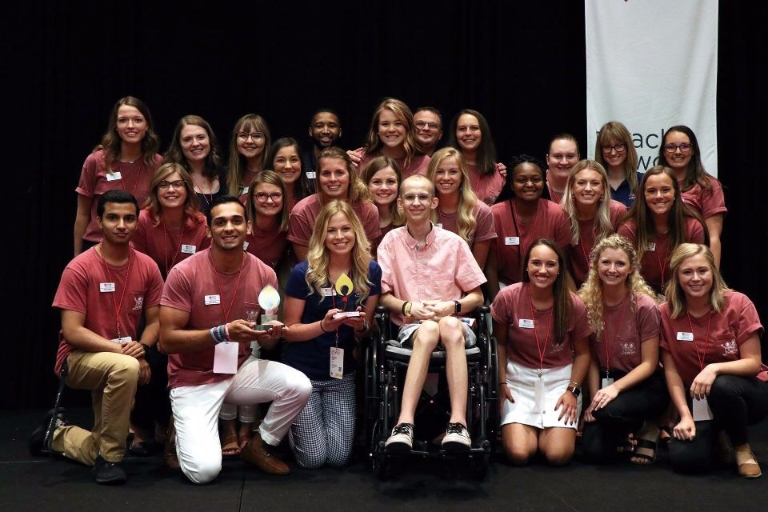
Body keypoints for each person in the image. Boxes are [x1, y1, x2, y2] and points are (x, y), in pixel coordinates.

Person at [159, 195, 312, 483]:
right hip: (194, 377)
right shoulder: (184, 272)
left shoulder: (264, 274)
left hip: (237, 369)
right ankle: (177, 428)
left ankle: (259, 445)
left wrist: (271, 333)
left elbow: (266, 345)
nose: (229, 227)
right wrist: (222, 333)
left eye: (236, 220)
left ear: (248, 227)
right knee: (203, 472)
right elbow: (166, 341)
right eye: (220, 222)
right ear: (208, 230)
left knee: (299, 386)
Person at [30, 190, 164, 485]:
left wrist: (141, 348)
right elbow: (72, 331)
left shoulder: (148, 266)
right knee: (126, 369)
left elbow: (155, 321)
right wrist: (126, 354)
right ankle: (111, 459)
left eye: (129, 218)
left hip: (121, 358)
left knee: (104, 434)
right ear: (99, 221)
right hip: (77, 359)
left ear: (136, 223)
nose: (121, 225)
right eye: (113, 217)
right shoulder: (79, 267)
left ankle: (56, 435)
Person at [377, 175, 486, 452]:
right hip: (413, 326)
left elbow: (478, 296)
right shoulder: (390, 242)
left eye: (423, 197)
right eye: (410, 198)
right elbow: (383, 295)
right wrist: (407, 306)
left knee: (447, 325)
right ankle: (404, 424)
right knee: (427, 328)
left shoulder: (454, 242)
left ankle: (458, 424)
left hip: (455, 324)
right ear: (400, 204)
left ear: (434, 202)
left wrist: (453, 306)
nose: (416, 203)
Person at [282, 200, 381, 468]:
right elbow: (289, 331)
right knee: (313, 460)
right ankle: (289, 424)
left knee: (338, 458)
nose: (339, 237)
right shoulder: (304, 273)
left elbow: (367, 328)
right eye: (332, 230)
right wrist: (323, 326)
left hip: (341, 374)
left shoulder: (370, 270)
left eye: (345, 229)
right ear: (321, 236)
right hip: (304, 376)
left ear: (356, 232)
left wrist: (360, 325)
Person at [659, 243, 767, 478]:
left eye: (702, 270)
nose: (695, 278)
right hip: (698, 399)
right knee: (687, 462)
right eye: (687, 272)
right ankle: (716, 434)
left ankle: (741, 447)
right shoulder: (665, 313)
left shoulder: (738, 303)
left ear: (713, 273)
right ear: (677, 276)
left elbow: (753, 363)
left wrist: (714, 368)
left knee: (722, 385)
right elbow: (671, 372)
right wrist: (684, 414)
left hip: (747, 392)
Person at [131, 163, 210, 464]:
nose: (171, 189)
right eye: (164, 184)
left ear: (188, 189)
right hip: (149, 300)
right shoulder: (143, 221)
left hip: (188, 303)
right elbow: (136, 267)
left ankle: (168, 426)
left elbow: (204, 270)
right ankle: (141, 427)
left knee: (178, 356)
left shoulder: (201, 223)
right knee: (149, 355)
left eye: (178, 184)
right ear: (155, 190)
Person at [490, 239, 591, 466]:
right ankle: (525, 428)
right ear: (526, 266)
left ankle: (547, 432)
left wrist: (572, 391)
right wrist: (502, 383)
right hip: (518, 380)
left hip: (560, 382)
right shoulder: (508, 297)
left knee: (557, 455)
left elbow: (584, 353)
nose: (543, 270)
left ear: (559, 269)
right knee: (519, 454)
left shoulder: (573, 304)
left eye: (550, 265)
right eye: (536, 263)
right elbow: (500, 343)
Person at [216, 170, 292, 455]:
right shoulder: (237, 226)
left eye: (275, 195)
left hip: (262, 294)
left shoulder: (285, 227)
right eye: (261, 195)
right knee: (224, 358)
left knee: (254, 355)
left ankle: (248, 427)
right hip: (226, 294)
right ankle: (228, 427)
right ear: (250, 200)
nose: (268, 200)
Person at [578, 234, 668, 465]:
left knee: (608, 411)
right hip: (608, 379)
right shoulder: (586, 303)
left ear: (630, 269)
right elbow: (592, 359)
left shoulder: (644, 306)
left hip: (644, 382)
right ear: (596, 266)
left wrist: (614, 390)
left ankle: (648, 426)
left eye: (620, 264)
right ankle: (623, 431)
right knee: (593, 451)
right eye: (606, 262)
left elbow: (649, 364)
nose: (612, 269)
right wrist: (594, 398)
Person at [73, 96, 162, 257]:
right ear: (115, 126)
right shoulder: (96, 161)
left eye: (137, 120)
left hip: (139, 249)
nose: (130, 126)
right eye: (123, 120)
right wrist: (77, 258)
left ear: (147, 125)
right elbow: (83, 213)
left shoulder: (158, 164)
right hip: (97, 246)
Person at [485, 155, 571, 301]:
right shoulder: (495, 214)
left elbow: (563, 265)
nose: (530, 184)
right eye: (522, 180)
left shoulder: (557, 214)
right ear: (511, 185)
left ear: (544, 182)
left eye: (536, 179)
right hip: (504, 287)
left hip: (547, 287)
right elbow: (490, 269)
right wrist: (497, 306)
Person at [617, 166, 707, 296]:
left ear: (676, 192)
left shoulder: (693, 227)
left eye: (665, 190)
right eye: (652, 191)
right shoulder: (628, 229)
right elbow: (624, 276)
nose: (659, 196)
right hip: (639, 299)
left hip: (682, 296)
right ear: (643, 195)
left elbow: (695, 274)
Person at [288, 147, 380, 262]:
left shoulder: (368, 210)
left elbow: (366, 258)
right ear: (318, 178)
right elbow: (306, 265)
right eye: (326, 173)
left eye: (339, 173)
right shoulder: (302, 212)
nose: (332, 179)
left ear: (350, 176)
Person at [658, 125, 727, 268]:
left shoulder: (707, 185)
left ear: (693, 150)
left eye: (684, 146)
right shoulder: (654, 183)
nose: (677, 152)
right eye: (671, 147)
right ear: (663, 152)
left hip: (692, 265)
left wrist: (712, 278)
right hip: (658, 264)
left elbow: (713, 238)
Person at [427, 147, 497, 271]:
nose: (446, 177)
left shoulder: (481, 212)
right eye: (439, 171)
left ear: (462, 176)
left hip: (464, 283)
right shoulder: (422, 207)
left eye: (453, 172)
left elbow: (477, 268)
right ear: (431, 174)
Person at [560, 160, 627, 288]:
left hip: (611, 285)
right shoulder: (561, 215)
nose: (588, 188)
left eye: (595, 183)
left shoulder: (617, 212)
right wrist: (576, 301)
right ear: (571, 187)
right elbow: (562, 266)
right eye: (581, 183)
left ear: (603, 189)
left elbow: (624, 260)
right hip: (572, 288)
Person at [348, 97, 431, 178]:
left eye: (398, 123)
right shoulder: (359, 159)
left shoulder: (425, 163)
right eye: (385, 124)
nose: (391, 129)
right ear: (377, 129)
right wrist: (342, 161)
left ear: (408, 127)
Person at [162, 115, 227, 216]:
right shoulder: (171, 178)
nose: (195, 143)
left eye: (200, 137)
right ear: (179, 144)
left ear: (209, 139)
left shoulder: (225, 175)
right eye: (188, 139)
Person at [447, 109, 506, 206]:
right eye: (462, 129)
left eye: (474, 128)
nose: (468, 133)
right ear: (455, 134)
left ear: (483, 133)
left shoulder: (499, 173)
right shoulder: (443, 169)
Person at [361, 155, 404, 258]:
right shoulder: (355, 217)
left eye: (390, 181)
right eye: (377, 182)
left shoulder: (408, 219)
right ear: (366, 185)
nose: (384, 187)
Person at [594, 121, 643, 207]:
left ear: (628, 147)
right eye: (607, 147)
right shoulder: (593, 184)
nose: (613, 153)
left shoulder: (642, 181)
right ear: (600, 150)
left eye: (619, 146)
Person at [226, 114, 271, 203]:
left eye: (256, 136)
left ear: (265, 140)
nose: (249, 141)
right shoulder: (227, 176)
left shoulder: (276, 170)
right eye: (243, 135)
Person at [302, 108, 343, 190]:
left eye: (332, 126)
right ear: (310, 131)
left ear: (340, 132)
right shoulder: (301, 162)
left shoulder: (347, 162)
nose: (325, 131)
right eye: (319, 126)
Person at [268, 137, 313, 211]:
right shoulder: (261, 199)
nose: (288, 166)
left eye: (294, 160)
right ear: (271, 164)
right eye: (281, 160)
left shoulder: (312, 197)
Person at [545, 133, 581, 204]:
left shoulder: (587, 188)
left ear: (578, 159)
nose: (564, 162)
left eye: (570, 156)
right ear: (547, 159)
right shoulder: (536, 188)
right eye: (558, 156)